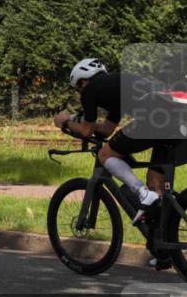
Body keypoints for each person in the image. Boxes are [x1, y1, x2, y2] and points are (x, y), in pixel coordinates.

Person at [54, 58, 180, 269]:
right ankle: (164, 250)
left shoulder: (90, 90)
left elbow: (87, 131)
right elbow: (106, 130)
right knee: (156, 184)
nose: (80, 91)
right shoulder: (117, 85)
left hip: (152, 120)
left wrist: (65, 122)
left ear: (82, 81)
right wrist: (80, 122)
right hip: (174, 120)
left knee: (105, 155)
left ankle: (141, 193)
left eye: (78, 87)